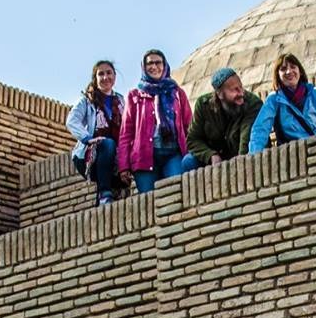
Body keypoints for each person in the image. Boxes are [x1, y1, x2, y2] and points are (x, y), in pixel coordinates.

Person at [120, 48, 196, 192]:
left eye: (158, 63)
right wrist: (123, 166)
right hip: (144, 157)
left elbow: (189, 126)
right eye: (149, 64)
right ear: (144, 67)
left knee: (176, 192)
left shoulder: (177, 93)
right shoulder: (135, 96)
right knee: (149, 203)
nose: (154, 67)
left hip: (173, 152)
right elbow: (126, 133)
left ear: (165, 65)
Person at [247, 53, 316, 153]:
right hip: (289, 156)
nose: (289, 71)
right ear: (277, 75)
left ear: (300, 71)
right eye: (283, 69)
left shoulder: (315, 95)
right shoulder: (274, 99)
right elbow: (260, 129)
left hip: (315, 153)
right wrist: (254, 157)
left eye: (293, 67)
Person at [65, 59, 122, 205]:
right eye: (100, 74)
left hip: (115, 154)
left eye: (109, 73)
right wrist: (87, 138)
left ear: (114, 77)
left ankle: (107, 197)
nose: (105, 77)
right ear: (95, 79)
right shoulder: (87, 100)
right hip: (90, 153)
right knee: (107, 143)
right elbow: (72, 120)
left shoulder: (121, 101)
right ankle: (104, 193)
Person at [188, 67, 261, 166]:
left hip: (242, 155)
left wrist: (239, 162)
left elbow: (247, 140)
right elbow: (193, 140)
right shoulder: (203, 106)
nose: (241, 93)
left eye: (241, 87)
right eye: (234, 90)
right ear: (220, 94)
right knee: (188, 161)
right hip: (216, 158)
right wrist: (211, 156)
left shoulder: (252, 104)